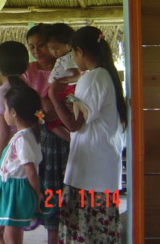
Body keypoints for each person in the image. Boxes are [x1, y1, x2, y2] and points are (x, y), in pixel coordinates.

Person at [49, 26, 127, 244]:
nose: (73, 59)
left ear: (80, 52)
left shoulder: (92, 78)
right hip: (101, 166)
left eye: (73, 54)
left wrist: (54, 96)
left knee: (85, 229)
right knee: (100, 229)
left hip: (91, 171)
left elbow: (74, 125)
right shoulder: (104, 76)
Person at [0, 85, 48, 244]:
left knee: (11, 236)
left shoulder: (23, 138)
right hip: (8, 187)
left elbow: (30, 170)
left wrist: (36, 193)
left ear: (14, 113)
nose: (3, 113)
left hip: (16, 189)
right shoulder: (22, 135)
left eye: (5, 108)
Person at [22, 24, 68, 244]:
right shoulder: (27, 70)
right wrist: (40, 102)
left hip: (65, 132)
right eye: (32, 46)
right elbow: (21, 101)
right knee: (47, 185)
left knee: (63, 183)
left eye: (41, 45)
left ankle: (63, 234)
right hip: (40, 134)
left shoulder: (66, 66)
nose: (37, 50)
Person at [0, 41, 29, 164]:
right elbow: (39, 117)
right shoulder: (28, 88)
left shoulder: (1, 92)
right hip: (27, 145)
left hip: (9, 149)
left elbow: (4, 132)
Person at [45, 23, 81, 142]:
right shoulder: (63, 57)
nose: (53, 52)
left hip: (63, 91)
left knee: (53, 122)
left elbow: (77, 75)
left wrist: (65, 81)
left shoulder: (69, 58)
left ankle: (72, 140)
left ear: (69, 45)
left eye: (56, 48)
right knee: (49, 119)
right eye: (51, 48)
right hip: (58, 89)